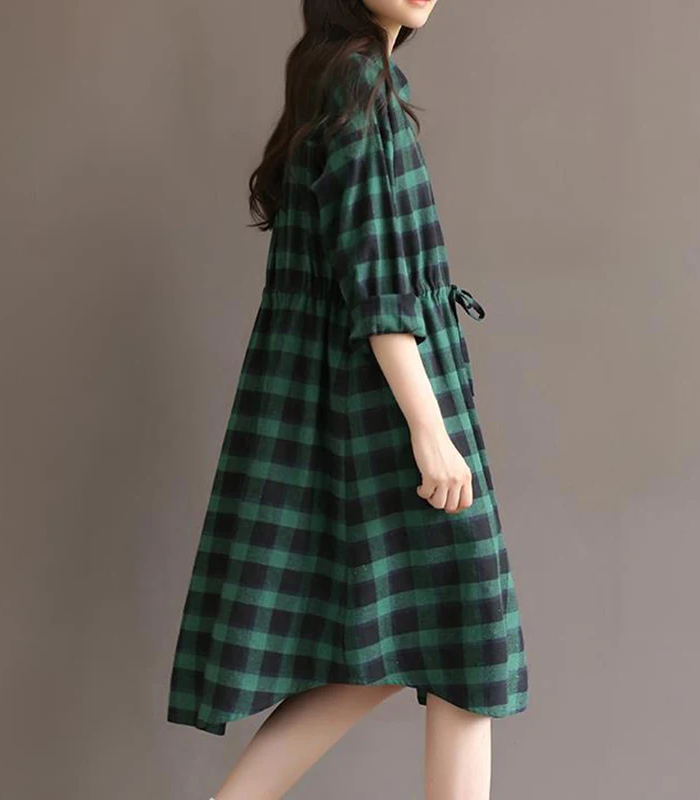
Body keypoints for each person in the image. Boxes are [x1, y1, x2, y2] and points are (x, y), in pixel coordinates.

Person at [166, 2, 529, 797]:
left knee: (428, 636)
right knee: (466, 640)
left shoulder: (354, 77)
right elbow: (375, 280)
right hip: (384, 403)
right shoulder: (357, 80)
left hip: (368, 394)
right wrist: (429, 429)